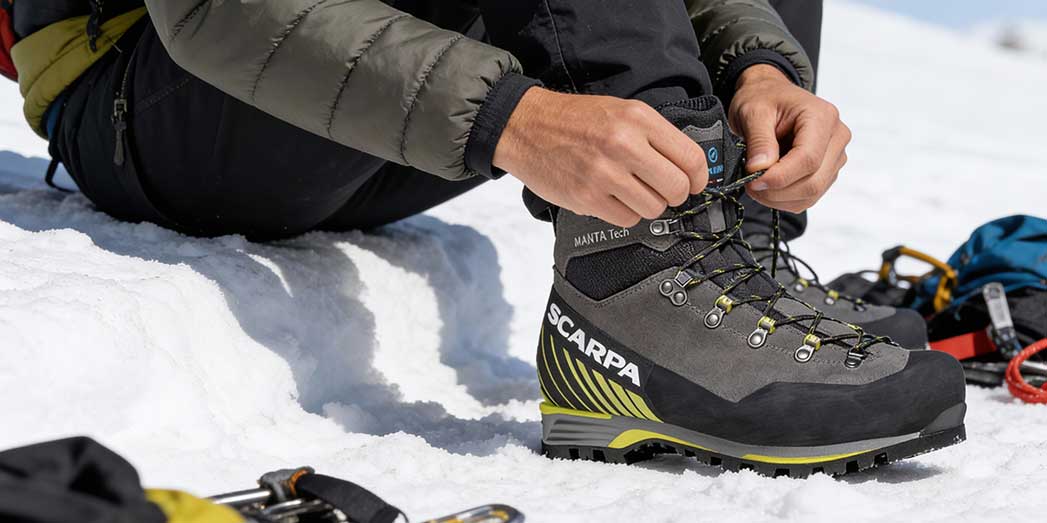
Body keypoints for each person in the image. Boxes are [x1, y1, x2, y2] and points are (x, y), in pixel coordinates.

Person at [8, 0, 966, 476]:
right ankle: (646, 287)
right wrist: (513, 117)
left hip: (366, 114)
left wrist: (757, 68)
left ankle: (722, 268)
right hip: (150, 102)